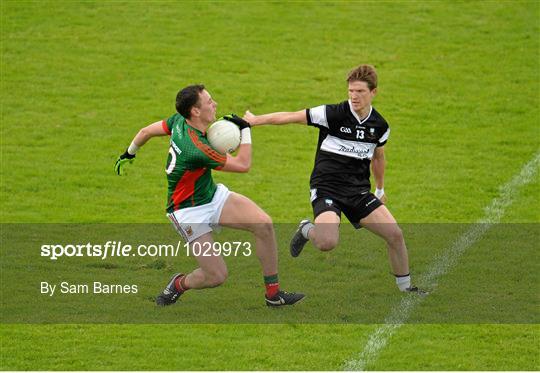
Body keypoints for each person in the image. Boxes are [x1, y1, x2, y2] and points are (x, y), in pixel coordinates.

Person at [115, 84, 304, 307]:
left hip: (211, 196)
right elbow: (243, 165)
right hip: (187, 212)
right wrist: (245, 130)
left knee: (264, 224)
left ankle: (273, 295)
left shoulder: (178, 120)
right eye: (209, 102)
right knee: (216, 276)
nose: (215, 104)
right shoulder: (196, 149)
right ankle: (178, 284)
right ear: (195, 111)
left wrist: (129, 153)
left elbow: (145, 132)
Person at [244, 65, 426, 294]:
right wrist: (254, 120)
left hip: (358, 191)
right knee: (326, 242)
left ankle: (406, 289)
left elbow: (378, 158)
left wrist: (379, 189)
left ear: (373, 93)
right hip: (327, 188)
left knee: (395, 234)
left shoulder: (380, 126)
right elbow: (291, 116)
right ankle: (306, 230)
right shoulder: (333, 114)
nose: (353, 96)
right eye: (351, 90)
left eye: (360, 91)